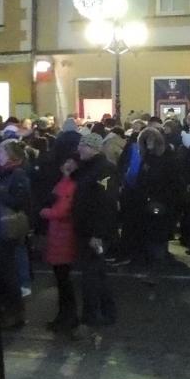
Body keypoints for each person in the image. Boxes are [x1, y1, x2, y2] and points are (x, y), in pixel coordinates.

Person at [0, 141, 32, 330]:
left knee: (7, 271)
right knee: (1, 269)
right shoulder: (2, 172)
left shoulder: (18, 173)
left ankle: (14, 312)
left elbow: (19, 201)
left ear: (9, 154)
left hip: (6, 228)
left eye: (1, 151)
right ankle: (7, 310)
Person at [72, 131, 120, 326]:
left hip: (95, 232)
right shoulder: (88, 168)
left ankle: (92, 316)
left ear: (91, 148)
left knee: (91, 275)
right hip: (87, 230)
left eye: (82, 146)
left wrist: (98, 234)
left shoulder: (104, 170)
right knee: (97, 272)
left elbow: (105, 203)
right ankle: (107, 312)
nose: (78, 149)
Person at [39, 151, 80, 336]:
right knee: (61, 279)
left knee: (63, 280)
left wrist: (45, 212)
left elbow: (62, 210)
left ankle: (67, 317)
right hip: (58, 234)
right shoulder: (66, 181)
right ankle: (64, 316)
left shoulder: (71, 184)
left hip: (63, 235)